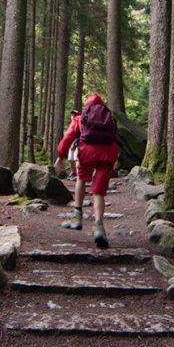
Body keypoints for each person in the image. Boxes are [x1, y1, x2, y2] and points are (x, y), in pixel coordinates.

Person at [54, 93, 119, 248]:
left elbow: (68, 137)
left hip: (87, 152)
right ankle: (99, 227)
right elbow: (116, 138)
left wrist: (60, 156)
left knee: (81, 179)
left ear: (87, 106)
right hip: (107, 154)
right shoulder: (109, 118)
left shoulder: (80, 118)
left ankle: (77, 217)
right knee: (99, 192)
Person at [66, 109, 80, 177]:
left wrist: (74, 144)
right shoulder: (70, 124)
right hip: (70, 144)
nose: (73, 116)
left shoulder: (79, 123)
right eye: (72, 115)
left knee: (76, 159)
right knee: (70, 159)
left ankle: (78, 174)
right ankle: (73, 172)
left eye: (74, 115)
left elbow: (79, 135)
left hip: (77, 145)